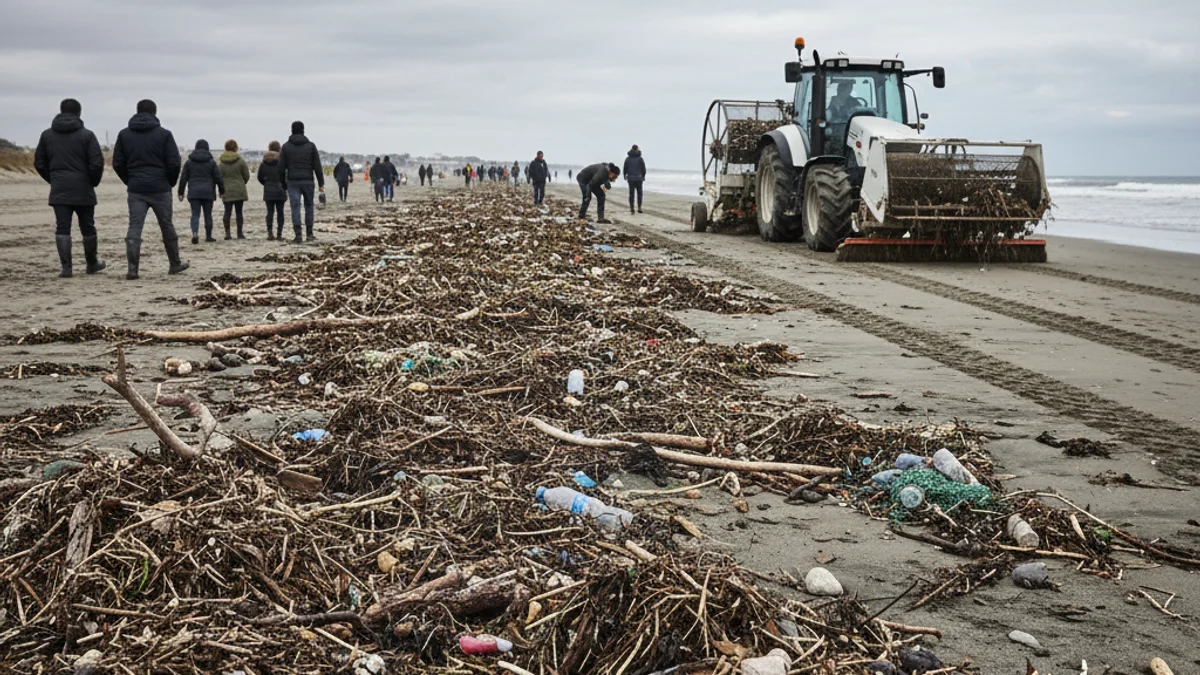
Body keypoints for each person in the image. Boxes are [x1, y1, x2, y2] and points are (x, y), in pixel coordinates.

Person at [112, 99, 188, 279]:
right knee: (167, 225)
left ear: (137, 112)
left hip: (136, 187)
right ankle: (174, 263)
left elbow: (118, 163)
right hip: (160, 186)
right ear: (155, 112)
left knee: (134, 226)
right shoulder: (164, 135)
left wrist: (129, 180)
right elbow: (174, 162)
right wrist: (169, 181)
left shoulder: (124, 135)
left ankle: (132, 269)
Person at [34, 97, 105, 277]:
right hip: (83, 188)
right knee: (88, 227)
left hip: (60, 188)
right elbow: (96, 163)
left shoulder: (47, 135)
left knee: (62, 228)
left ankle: (66, 268)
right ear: (79, 113)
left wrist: (54, 178)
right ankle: (91, 263)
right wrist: (92, 182)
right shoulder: (87, 135)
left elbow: (39, 163)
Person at [278, 120, 324, 242]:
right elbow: (317, 166)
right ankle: (309, 233)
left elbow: (281, 168)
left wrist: (283, 183)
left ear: (292, 130)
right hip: (308, 180)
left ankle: (298, 235)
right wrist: (321, 183)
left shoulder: (286, 147)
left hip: (292, 181)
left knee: (295, 206)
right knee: (309, 205)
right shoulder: (311, 146)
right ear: (303, 130)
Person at [177, 139, 223, 244]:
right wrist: (221, 190)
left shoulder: (189, 162)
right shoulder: (211, 162)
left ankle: (195, 233)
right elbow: (218, 177)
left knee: (195, 214)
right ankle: (209, 236)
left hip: (194, 192)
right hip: (208, 192)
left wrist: (181, 192)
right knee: (208, 214)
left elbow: (183, 178)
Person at [217, 139, 250, 239]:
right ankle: (239, 233)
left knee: (227, 212)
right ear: (236, 148)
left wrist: (220, 189)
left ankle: (227, 234)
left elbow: (218, 177)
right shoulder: (240, 161)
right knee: (239, 212)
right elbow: (246, 175)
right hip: (239, 189)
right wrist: (241, 183)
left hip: (226, 190)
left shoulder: (221, 163)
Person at [258, 141, 287, 240]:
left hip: (268, 189)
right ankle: (279, 234)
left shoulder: (264, 162)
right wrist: (284, 186)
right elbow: (285, 175)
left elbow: (259, 177)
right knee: (280, 212)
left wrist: (266, 184)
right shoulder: (282, 161)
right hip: (280, 189)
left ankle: (270, 233)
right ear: (279, 148)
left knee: (270, 212)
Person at [623, 144, 647, 214]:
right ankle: (639, 207)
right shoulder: (640, 159)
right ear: (637, 149)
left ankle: (632, 208)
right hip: (639, 178)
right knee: (639, 193)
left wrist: (624, 175)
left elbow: (625, 168)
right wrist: (643, 176)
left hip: (630, 178)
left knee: (631, 194)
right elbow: (643, 169)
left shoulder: (628, 159)